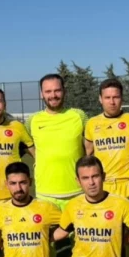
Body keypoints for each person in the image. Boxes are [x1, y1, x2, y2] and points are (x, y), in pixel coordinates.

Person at [84, 78, 129, 257]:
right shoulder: (92, 124)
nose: (112, 101)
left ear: (122, 98)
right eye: (107, 97)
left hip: (127, 185)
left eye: (116, 97)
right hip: (104, 187)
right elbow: (88, 154)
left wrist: (128, 166)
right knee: (102, 236)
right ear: (100, 99)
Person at [26, 74, 87, 210]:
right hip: (45, 193)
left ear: (64, 91)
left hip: (77, 191)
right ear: (41, 94)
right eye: (48, 91)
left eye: (57, 90)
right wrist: (36, 156)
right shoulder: (32, 120)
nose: (53, 95)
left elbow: (91, 144)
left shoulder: (79, 115)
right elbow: (24, 143)